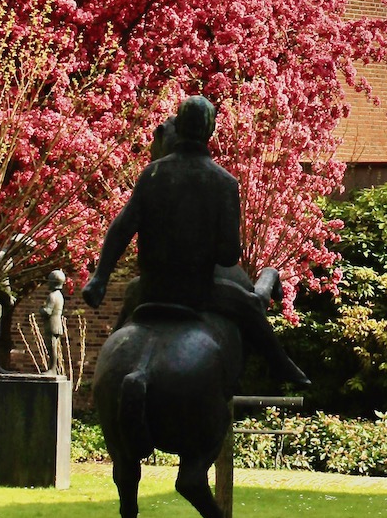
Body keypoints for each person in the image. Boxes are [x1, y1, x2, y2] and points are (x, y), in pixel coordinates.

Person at [81, 94, 310, 389]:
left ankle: (104, 372)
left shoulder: (152, 173)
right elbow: (228, 256)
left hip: (151, 288)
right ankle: (280, 364)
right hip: (198, 292)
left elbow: (122, 227)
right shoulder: (223, 182)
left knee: (125, 317)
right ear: (210, 130)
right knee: (251, 306)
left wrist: (100, 277)